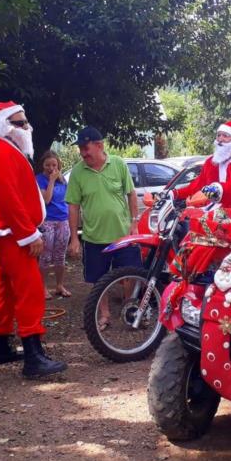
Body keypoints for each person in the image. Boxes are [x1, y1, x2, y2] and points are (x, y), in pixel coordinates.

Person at [0, 100, 66, 378]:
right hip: (13, 234)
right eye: (20, 122)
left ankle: (1, 345)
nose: (26, 126)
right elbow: (10, 198)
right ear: (6, 126)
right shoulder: (4, 152)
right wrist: (29, 235)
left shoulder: (4, 150)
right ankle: (33, 356)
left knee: (3, 289)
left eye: (25, 122)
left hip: (5, 234)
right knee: (29, 289)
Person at [65, 126, 140, 330]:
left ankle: (129, 309)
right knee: (98, 280)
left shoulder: (118, 164)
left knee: (130, 275)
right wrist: (74, 238)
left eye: (85, 147)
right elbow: (73, 206)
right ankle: (105, 314)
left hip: (122, 236)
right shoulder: (78, 172)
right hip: (94, 238)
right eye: (80, 148)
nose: (82, 152)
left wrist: (134, 223)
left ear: (99, 145)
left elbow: (131, 194)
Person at [172, 121, 231, 212]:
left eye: (225, 136)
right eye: (218, 135)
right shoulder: (211, 162)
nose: (220, 139)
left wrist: (208, 191)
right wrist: (174, 193)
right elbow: (197, 185)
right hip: (210, 214)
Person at [35, 150, 71, 299]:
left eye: (54, 165)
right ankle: (42, 287)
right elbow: (46, 200)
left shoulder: (62, 180)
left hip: (63, 220)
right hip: (47, 221)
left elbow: (68, 199)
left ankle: (59, 285)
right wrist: (50, 181)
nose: (51, 168)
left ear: (58, 165)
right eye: (47, 165)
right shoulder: (39, 179)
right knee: (45, 256)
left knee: (60, 255)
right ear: (43, 165)